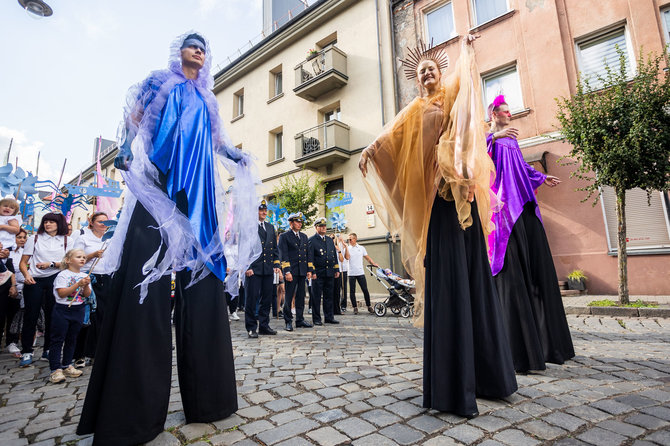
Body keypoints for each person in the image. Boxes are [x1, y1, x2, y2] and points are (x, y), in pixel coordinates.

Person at [77, 32, 259, 446]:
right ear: (179, 51)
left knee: (206, 286)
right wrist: (124, 148)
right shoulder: (161, 81)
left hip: (200, 197)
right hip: (160, 188)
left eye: (204, 47)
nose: (199, 49)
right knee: (147, 286)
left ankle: (210, 400)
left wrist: (234, 157)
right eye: (192, 44)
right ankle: (132, 414)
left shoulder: (208, 100)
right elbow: (136, 116)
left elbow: (215, 141)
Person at [359, 37, 517, 418]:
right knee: (448, 286)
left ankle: (490, 377)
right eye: (421, 71)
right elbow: (389, 139)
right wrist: (370, 151)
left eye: (432, 68)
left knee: (475, 284)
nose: (427, 73)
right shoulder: (413, 110)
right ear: (417, 80)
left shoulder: (453, 97)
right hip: (437, 209)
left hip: (460, 198)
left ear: (440, 73)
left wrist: (468, 49)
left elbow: (469, 117)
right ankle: (452, 384)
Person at [487, 95, 574, 373]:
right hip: (502, 210)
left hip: (524, 206)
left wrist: (540, 177)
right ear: (494, 115)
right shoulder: (489, 139)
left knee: (537, 272)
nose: (510, 116)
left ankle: (548, 345)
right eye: (505, 112)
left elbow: (521, 169)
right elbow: (476, 161)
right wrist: (494, 136)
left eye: (510, 112)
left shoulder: (512, 141)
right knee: (511, 274)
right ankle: (516, 351)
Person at [19, 213, 70, 367]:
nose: (48, 224)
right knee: (31, 315)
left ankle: (48, 349)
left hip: (56, 278)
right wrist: (26, 275)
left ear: (59, 223)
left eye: (51, 222)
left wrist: (52, 264)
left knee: (53, 316)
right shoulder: (34, 238)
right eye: (46, 222)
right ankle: (27, 350)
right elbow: (23, 262)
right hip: (35, 279)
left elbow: (69, 263)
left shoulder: (68, 240)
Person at [72, 212, 110, 367]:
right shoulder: (83, 238)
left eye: (105, 222)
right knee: (87, 316)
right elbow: (75, 259)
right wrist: (93, 254)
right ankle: (80, 354)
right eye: (99, 221)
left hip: (106, 278)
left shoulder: (111, 239)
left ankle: (97, 352)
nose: (103, 224)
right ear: (92, 222)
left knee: (103, 316)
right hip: (89, 277)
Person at [48, 249, 90, 384]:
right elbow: (61, 294)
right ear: (68, 260)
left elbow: (86, 295)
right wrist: (78, 284)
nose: (82, 259)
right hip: (63, 309)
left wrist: (87, 285)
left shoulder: (84, 275)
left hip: (78, 309)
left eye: (84, 257)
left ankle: (66, 365)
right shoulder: (63, 275)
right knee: (58, 339)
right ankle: (55, 369)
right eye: (78, 257)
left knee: (72, 339)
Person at [244, 200, 280, 338]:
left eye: (265, 210)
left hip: (268, 269)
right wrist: (248, 266)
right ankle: (251, 327)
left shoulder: (270, 227)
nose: (264, 212)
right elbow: (244, 248)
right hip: (254, 269)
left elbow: (275, 249)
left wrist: (276, 264)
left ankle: (264, 326)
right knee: (252, 300)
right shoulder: (249, 227)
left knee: (267, 299)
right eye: (261, 210)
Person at [278, 212, 313, 331]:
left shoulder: (304, 236)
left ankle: (300, 319)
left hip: (302, 271)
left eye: (300, 222)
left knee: (300, 296)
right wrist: (287, 271)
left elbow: (307, 254)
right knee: (288, 297)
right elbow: (284, 255)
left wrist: (309, 270)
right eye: (297, 222)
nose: (299, 224)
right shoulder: (284, 236)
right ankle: (288, 321)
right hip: (291, 272)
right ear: (291, 223)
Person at [308, 218, 341, 325]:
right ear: (316, 227)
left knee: (329, 296)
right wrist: (312, 271)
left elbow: (333, 256)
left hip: (329, 272)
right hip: (318, 273)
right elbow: (310, 258)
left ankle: (329, 317)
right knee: (316, 297)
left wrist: (336, 269)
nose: (323, 228)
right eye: (321, 226)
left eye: (324, 226)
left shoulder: (329, 240)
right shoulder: (312, 240)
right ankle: (317, 319)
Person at [6, 229, 27, 357]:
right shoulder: (7, 252)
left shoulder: (25, 252)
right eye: (19, 237)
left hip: (22, 287)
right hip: (8, 286)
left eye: (24, 237)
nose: (22, 239)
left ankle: (12, 341)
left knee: (15, 316)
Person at [346, 233, 378, 314]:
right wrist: (345, 247)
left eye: (351, 239)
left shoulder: (361, 248)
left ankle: (369, 306)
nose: (349, 240)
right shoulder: (347, 248)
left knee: (365, 289)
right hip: (351, 273)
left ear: (355, 239)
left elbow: (367, 257)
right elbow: (347, 257)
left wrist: (373, 263)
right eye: (348, 239)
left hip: (360, 272)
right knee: (352, 291)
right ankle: (355, 307)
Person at [334, 234, 349, 314]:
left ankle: (343, 306)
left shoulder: (342, 245)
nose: (339, 237)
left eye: (339, 235)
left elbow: (346, 258)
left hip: (343, 270)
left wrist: (346, 247)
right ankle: (336, 306)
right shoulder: (333, 246)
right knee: (336, 289)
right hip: (336, 270)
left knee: (344, 289)